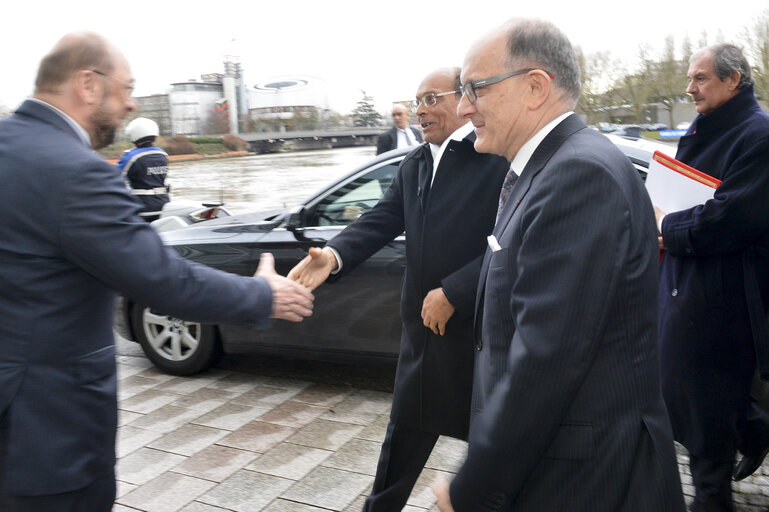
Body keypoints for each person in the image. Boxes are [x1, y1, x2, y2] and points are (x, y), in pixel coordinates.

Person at [0, 32, 313, 512]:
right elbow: (165, 281)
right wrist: (263, 295)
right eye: (126, 88)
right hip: (48, 437)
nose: (129, 104)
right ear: (88, 84)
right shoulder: (76, 171)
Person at [433, 19, 685, 511]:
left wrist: (472, 490)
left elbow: (545, 359)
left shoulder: (577, 175)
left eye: (475, 89)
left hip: (588, 480)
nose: (464, 108)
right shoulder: (546, 168)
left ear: (534, 87)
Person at [289, 67, 508, 511]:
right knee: (402, 441)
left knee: (494, 450)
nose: (421, 111)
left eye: (431, 99)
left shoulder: (495, 158)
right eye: (417, 101)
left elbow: (515, 240)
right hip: (423, 333)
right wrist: (332, 256)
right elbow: (380, 219)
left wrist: (455, 292)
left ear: (463, 99)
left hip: (477, 334)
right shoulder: (416, 163)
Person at [655, 43, 769, 512]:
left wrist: (664, 227)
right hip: (687, 285)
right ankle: (753, 428)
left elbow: (729, 220)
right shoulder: (708, 127)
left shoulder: (758, 137)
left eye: (700, 78)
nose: (689, 88)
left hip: (723, 302)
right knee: (686, 393)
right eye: (690, 77)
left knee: (705, 431)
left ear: (733, 80)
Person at [117, 117, 170, 222]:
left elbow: (113, 177)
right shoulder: (163, 154)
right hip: (164, 206)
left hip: (142, 209)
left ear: (136, 135)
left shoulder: (132, 156)